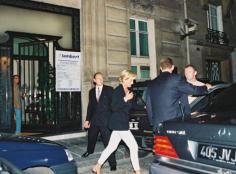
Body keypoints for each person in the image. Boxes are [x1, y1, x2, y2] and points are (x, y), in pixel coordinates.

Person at [92, 70, 141, 174]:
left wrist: (142, 105)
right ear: (125, 79)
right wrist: (125, 99)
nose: (132, 82)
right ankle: (138, 171)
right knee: (134, 147)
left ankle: (97, 166)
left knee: (111, 147)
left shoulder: (127, 90)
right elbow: (114, 107)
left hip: (121, 123)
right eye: (131, 80)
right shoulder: (118, 91)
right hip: (119, 124)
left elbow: (130, 107)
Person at [146, 58, 211, 132]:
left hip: (157, 125)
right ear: (173, 67)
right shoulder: (176, 79)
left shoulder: (151, 83)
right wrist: (206, 87)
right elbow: (193, 90)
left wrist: (153, 122)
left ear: (160, 68)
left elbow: (148, 105)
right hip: (173, 123)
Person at [82, 72, 117, 171]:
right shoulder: (91, 91)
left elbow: (114, 105)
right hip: (94, 119)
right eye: (98, 78)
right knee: (91, 137)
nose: (100, 80)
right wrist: (87, 120)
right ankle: (89, 151)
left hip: (106, 121)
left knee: (108, 142)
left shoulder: (109, 90)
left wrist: (113, 118)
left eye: (102, 78)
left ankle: (112, 163)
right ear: (94, 80)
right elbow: (90, 107)